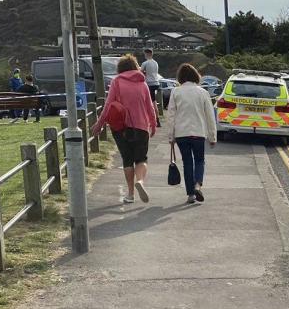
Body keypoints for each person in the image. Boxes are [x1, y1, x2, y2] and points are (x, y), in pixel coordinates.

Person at [91, 54, 157, 204]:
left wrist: (100, 123)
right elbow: (150, 107)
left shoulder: (116, 82)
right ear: (135, 67)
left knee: (127, 159)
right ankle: (140, 181)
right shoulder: (143, 83)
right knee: (141, 159)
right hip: (141, 126)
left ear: (120, 68)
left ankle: (130, 194)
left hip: (121, 128)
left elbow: (108, 105)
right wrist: (153, 124)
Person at [164, 63, 217, 204]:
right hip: (198, 133)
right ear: (195, 76)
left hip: (182, 134)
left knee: (187, 162)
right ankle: (198, 185)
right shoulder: (203, 93)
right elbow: (210, 117)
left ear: (180, 77)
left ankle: (191, 195)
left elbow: (171, 115)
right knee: (200, 160)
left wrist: (171, 136)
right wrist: (212, 136)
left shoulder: (176, 92)